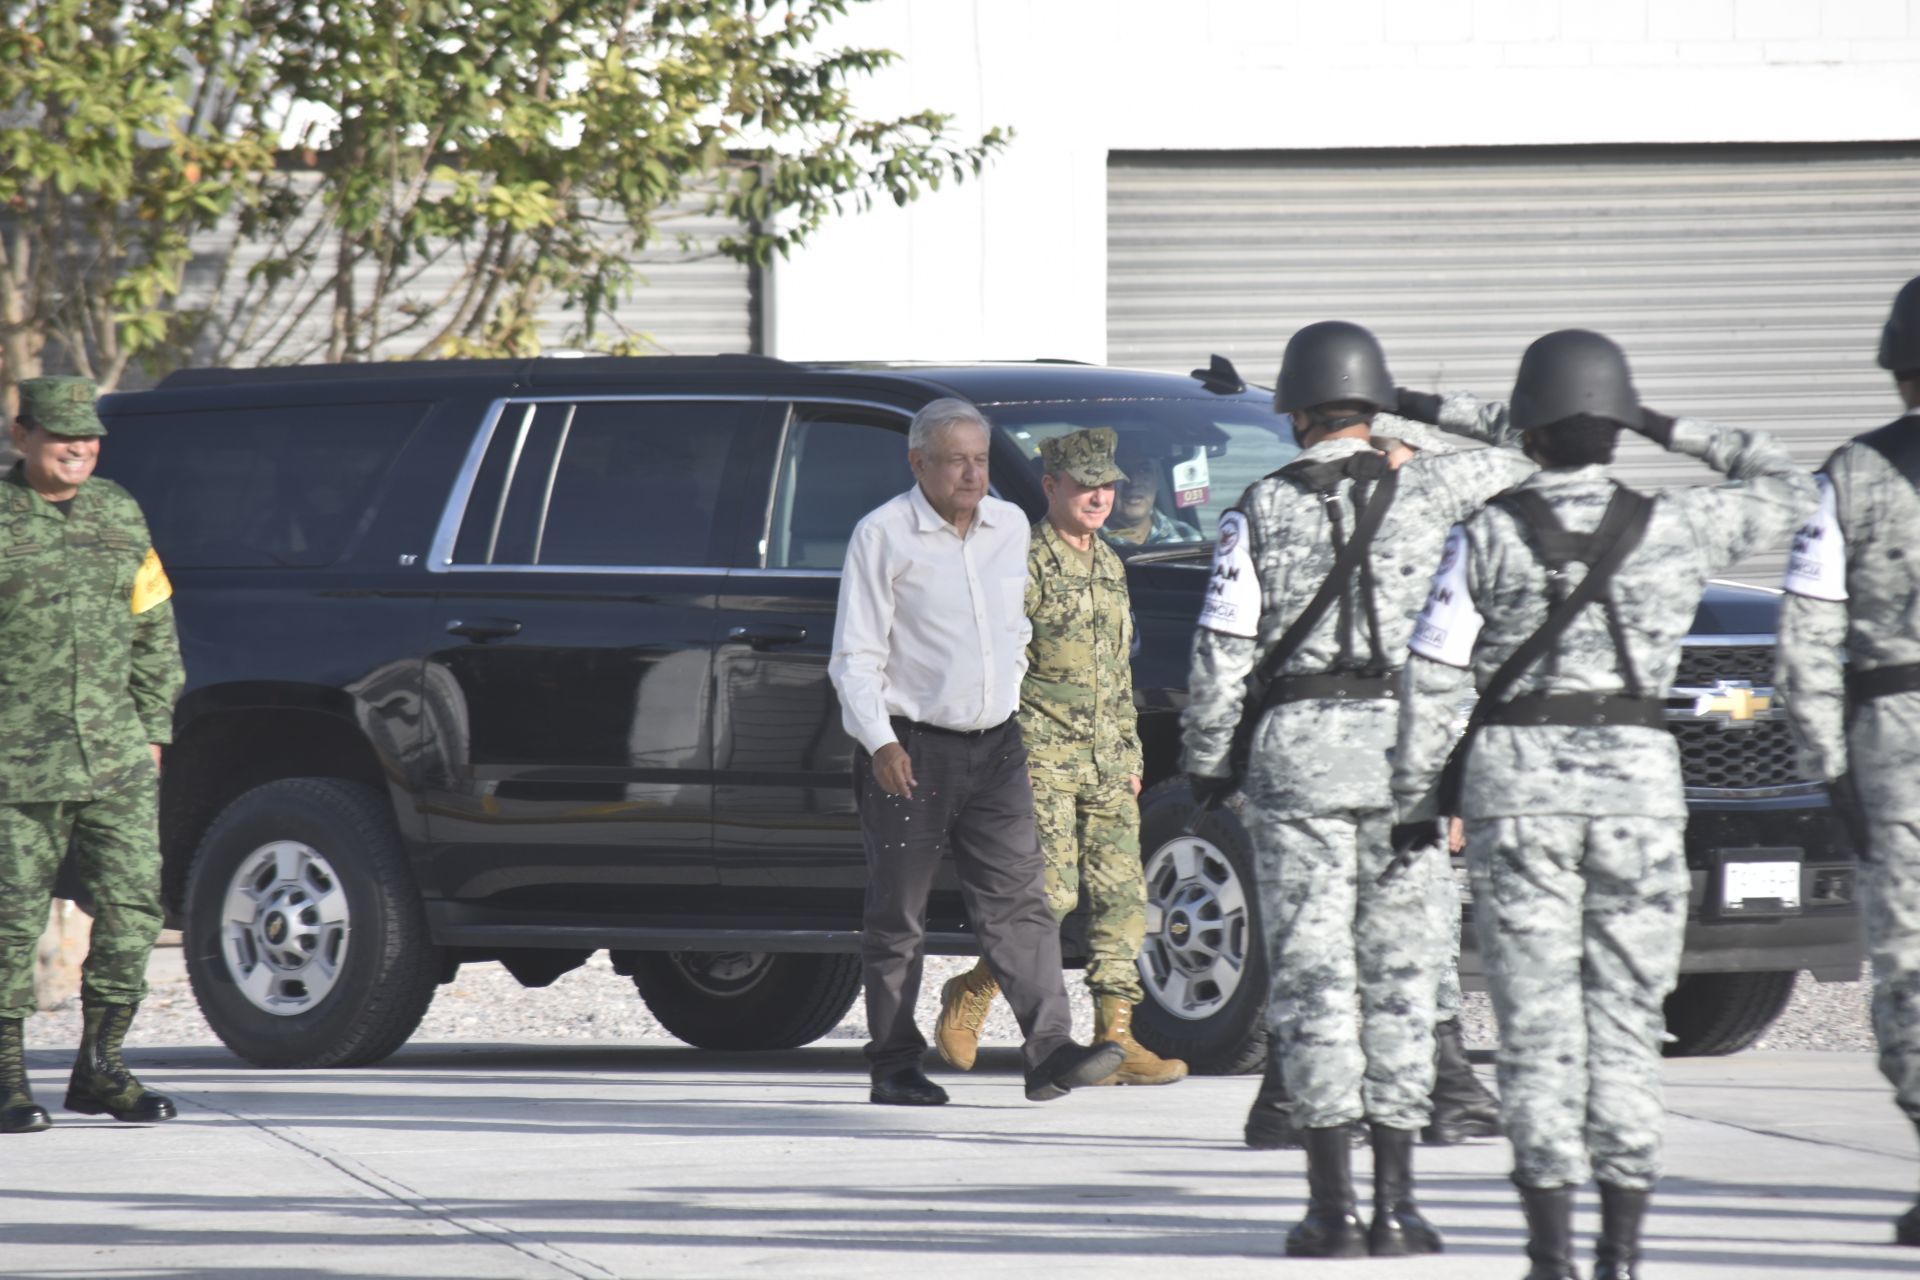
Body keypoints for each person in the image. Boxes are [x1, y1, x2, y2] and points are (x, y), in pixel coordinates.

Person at [1392, 331, 1815, 1279]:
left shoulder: (1485, 533)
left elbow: (1432, 672)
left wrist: (1419, 799)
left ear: (1528, 429)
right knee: (1625, 1017)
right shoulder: (1674, 527)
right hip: (1638, 791)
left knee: (1537, 1019)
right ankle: (1620, 1250)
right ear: (1618, 428)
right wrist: (1673, 426)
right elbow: (1787, 483)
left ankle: (1549, 1253)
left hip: (1517, 795)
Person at [1182, 321, 1534, 1258]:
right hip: (1409, 761)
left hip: (1296, 759)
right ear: (1372, 403)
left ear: (1294, 412)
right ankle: (1400, 1209)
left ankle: (1330, 1212)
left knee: (1314, 981)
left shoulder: (1254, 508)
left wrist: (1210, 761)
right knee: (1405, 978)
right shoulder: (1436, 487)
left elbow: (1222, 650)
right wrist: (1419, 408)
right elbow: (1540, 441)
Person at [829, 398, 1125, 1107]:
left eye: (982, 459)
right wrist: (881, 741)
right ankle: (894, 1065)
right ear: (918, 463)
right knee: (899, 916)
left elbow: (1012, 630)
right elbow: (854, 657)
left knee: (1021, 904)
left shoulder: (1010, 525)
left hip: (998, 745)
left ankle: (1050, 1050)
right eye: (956, 459)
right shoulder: (883, 536)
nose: (972, 473)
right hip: (912, 751)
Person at [935, 428, 1186, 1087]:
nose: (1101, 496)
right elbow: (992, 662)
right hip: (1040, 755)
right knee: (1050, 893)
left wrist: (1131, 754)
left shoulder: (1109, 564)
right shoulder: (1025, 565)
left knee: (1121, 898)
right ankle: (973, 991)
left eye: (1106, 484)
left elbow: (1118, 674)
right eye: (1085, 485)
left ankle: (1116, 1039)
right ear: (1051, 488)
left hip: (1108, 760)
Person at [1776, 273, 1920, 1248]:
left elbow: (1803, 637)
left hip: (1895, 739)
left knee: (1908, 959)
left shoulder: (1851, 473)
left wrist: (1827, 767)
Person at [1, 375, 185, 1136]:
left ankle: (101, 1067)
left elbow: (153, 623)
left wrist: (152, 729)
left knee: (135, 908)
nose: (79, 447)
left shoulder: (119, 511)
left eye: (89, 435)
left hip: (114, 754)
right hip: (14, 761)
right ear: (22, 436)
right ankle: (8, 1079)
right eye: (61, 434)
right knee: (9, 920)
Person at [1101, 446, 1204, 547]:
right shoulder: (1088, 542)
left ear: (1157, 480)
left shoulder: (1188, 537)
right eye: (1121, 471)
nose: (1134, 482)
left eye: (1144, 470)